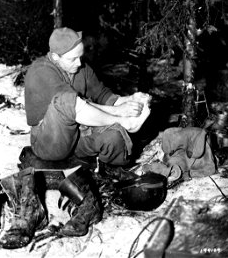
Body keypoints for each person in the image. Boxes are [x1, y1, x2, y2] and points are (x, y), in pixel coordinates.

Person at [22, 27, 151, 237]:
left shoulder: (80, 68)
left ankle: (106, 171)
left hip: (78, 136)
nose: (79, 63)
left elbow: (101, 95)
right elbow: (74, 106)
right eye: (73, 59)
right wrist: (119, 116)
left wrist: (129, 101)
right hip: (50, 142)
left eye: (80, 57)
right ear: (55, 56)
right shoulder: (41, 71)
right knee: (68, 102)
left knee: (114, 137)